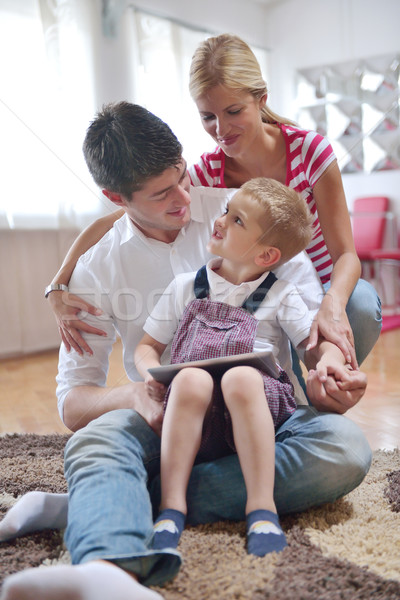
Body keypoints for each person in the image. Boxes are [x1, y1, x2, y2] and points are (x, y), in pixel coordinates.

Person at [0, 102, 370, 600]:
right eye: (161, 194)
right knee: (93, 443)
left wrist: (328, 367)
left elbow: (307, 322)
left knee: (342, 450)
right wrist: (133, 394)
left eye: (182, 177)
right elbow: (73, 401)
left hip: (264, 410)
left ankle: (105, 500)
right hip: (173, 407)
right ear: (116, 198)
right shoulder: (95, 270)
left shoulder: (243, 209)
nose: (185, 198)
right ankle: (110, 564)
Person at [48, 34, 381, 373]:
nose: (221, 129)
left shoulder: (309, 152)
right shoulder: (207, 172)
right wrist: (60, 282)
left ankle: (320, 390)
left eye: (233, 111)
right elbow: (126, 215)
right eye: (208, 116)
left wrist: (331, 304)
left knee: (362, 304)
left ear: (261, 99)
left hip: (320, 284)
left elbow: (346, 255)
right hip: (259, 293)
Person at [135, 177, 359, 558]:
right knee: (189, 377)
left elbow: (315, 348)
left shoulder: (281, 295)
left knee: (241, 376)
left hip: (261, 409)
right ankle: (171, 508)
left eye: (237, 220)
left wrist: (332, 365)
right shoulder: (185, 286)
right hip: (197, 412)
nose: (221, 220)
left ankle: (261, 509)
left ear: (267, 256)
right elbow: (147, 348)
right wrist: (149, 376)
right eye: (226, 210)